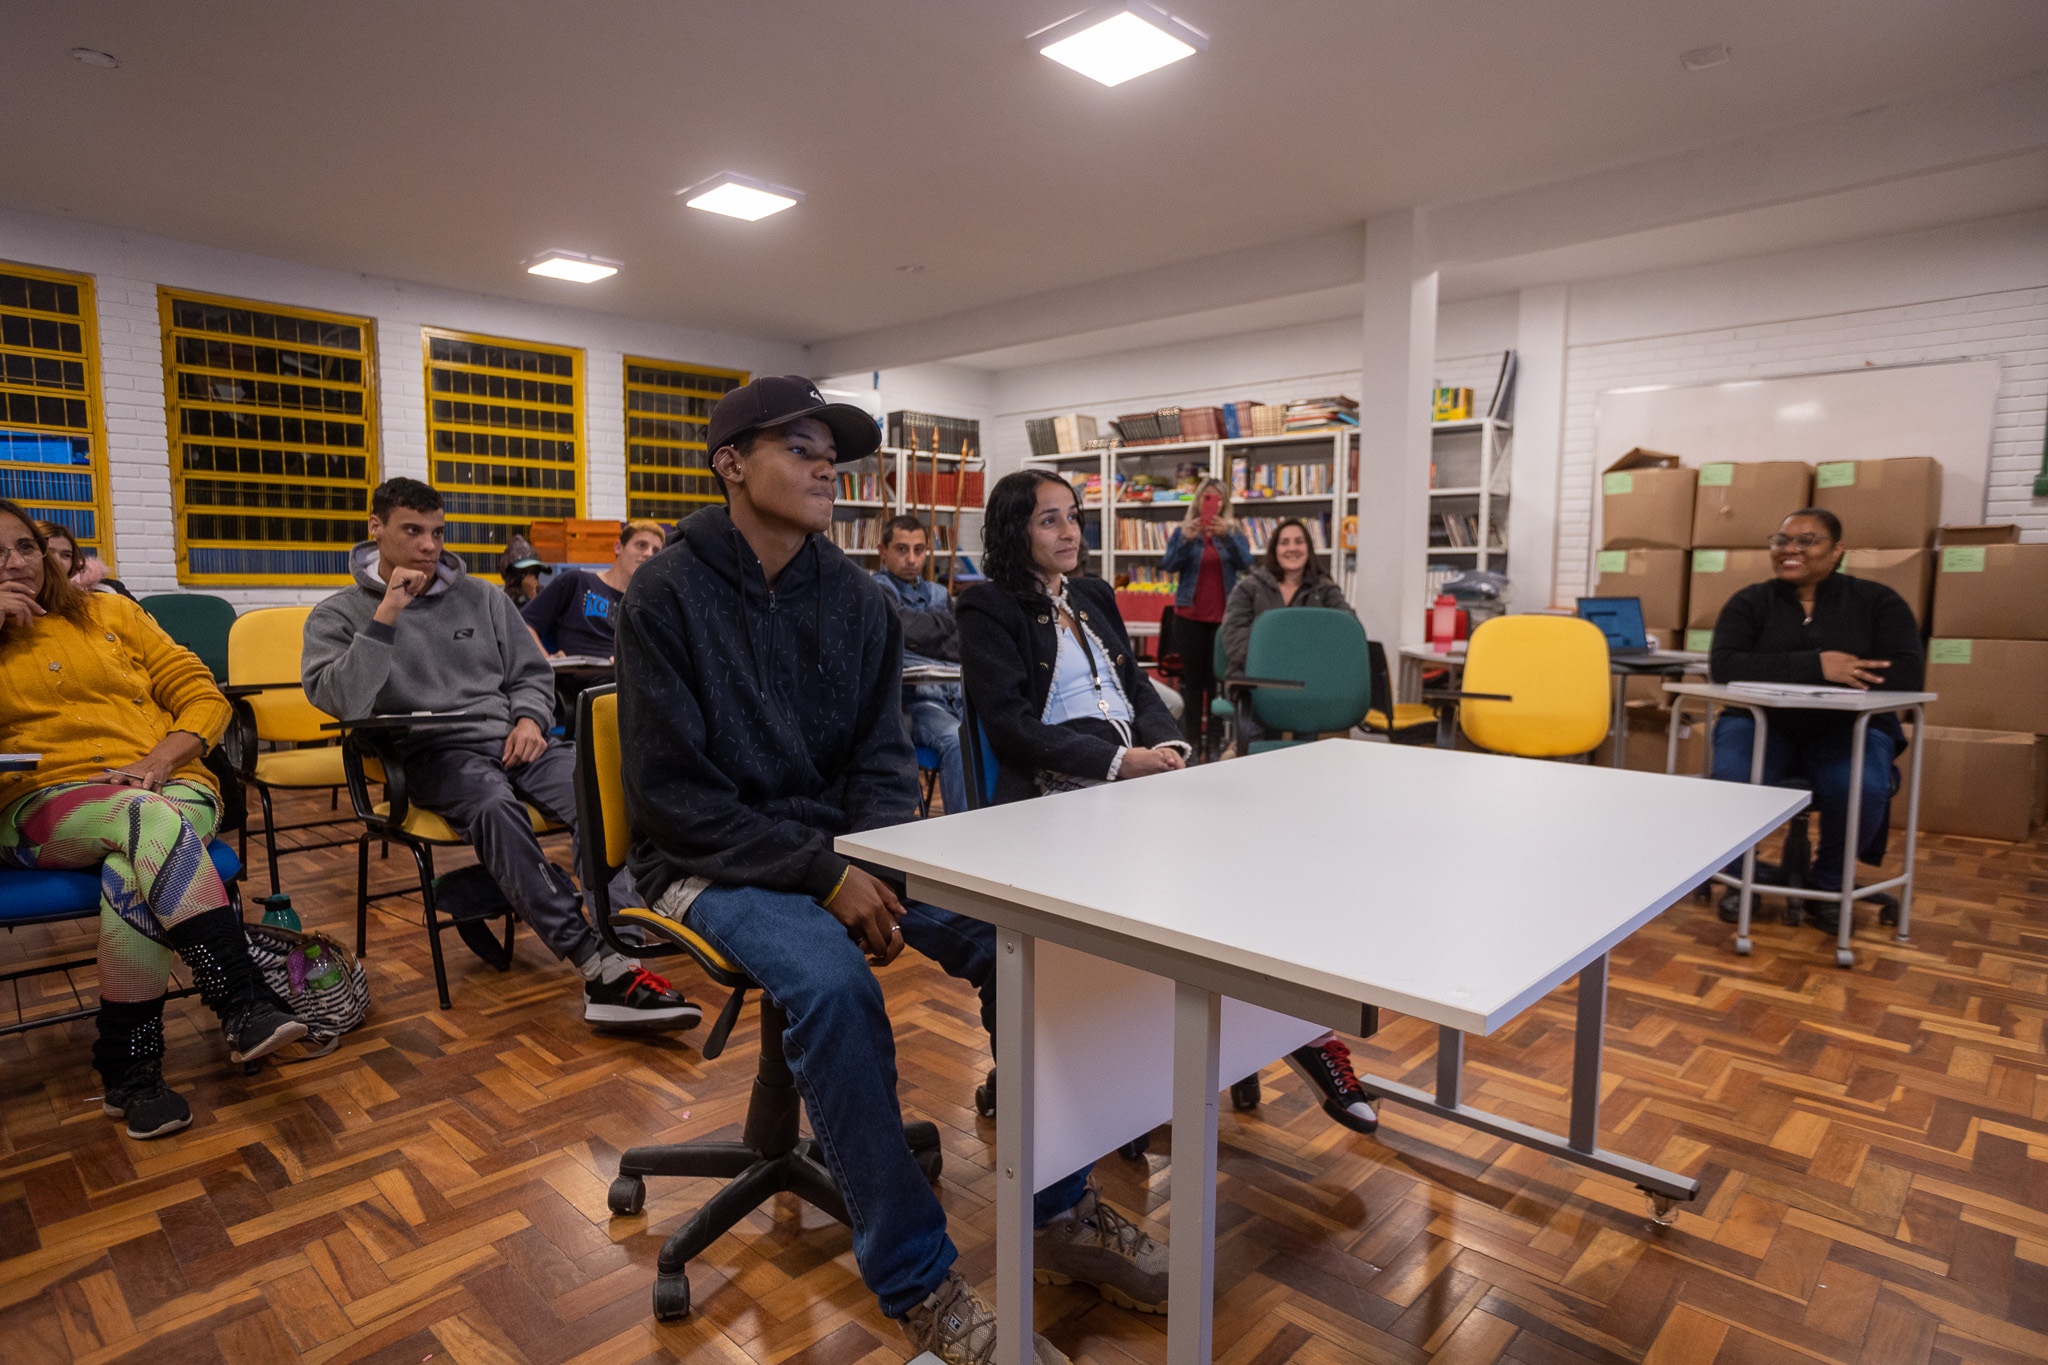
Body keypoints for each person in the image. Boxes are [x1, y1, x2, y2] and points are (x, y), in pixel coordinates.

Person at [619, 375, 1126, 1365]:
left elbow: (883, 760)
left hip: (838, 854)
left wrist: (873, 860)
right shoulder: (663, 595)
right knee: (833, 985)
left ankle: (1061, 1208)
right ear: (729, 463)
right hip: (702, 861)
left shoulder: (854, 599)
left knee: (1011, 938)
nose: (824, 467)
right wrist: (824, 879)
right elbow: (674, 798)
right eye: (798, 447)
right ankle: (917, 1282)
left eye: (830, 452)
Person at [302, 477, 697, 1030]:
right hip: (436, 753)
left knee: (601, 793)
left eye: (437, 533)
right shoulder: (339, 614)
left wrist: (533, 717)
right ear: (376, 529)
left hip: (518, 740)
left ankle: (623, 953)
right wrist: (386, 613)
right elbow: (340, 700)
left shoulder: (483, 597)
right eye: (412, 531)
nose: (428, 546)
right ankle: (595, 964)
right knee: (493, 807)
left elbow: (531, 674)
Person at [0, 499, 306, 1140]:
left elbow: (198, 692)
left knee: (131, 860)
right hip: (40, 802)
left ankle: (132, 1070)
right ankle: (239, 998)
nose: (16, 563)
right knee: (144, 826)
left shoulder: (111, 612)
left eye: (25, 546)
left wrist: (161, 757)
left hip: (165, 783)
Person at [1707, 507, 1923, 931]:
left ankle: (1828, 885)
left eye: (1807, 541)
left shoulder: (1878, 602)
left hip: (1847, 729)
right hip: (1761, 724)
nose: (1791, 550)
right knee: (1733, 776)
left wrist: (1774, 666)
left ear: (1838, 549)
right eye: (1781, 541)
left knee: (1859, 783)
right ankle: (1741, 876)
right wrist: (1817, 666)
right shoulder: (1751, 601)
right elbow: (1725, 665)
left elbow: (1906, 674)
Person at [872, 514, 967, 816]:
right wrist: (944, 626)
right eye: (901, 549)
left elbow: (962, 645)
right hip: (915, 702)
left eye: (919, 550)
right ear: (882, 551)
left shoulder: (938, 593)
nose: (911, 559)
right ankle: (962, 832)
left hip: (957, 694)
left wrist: (916, 637)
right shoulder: (875, 590)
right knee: (957, 739)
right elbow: (902, 626)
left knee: (998, 729)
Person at [1156, 477, 1250, 760]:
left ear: (1224, 503)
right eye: (1207, 497)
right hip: (1189, 617)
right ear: (1198, 501)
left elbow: (1247, 563)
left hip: (1224, 620)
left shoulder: (1233, 531)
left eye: (1217, 498)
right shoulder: (1183, 532)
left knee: (1218, 682)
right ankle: (1193, 744)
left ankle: (1217, 743)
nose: (1212, 502)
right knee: (1193, 683)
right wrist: (1185, 540)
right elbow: (1168, 565)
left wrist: (1227, 537)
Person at [1221, 517, 1351, 673]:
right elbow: (1235, 637)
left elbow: (1347, 627)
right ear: (1275, 550)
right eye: (1284, 543)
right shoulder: (1248, 587)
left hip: (1312, 675)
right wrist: (1280, 659)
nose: (1292, 548)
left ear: (1308, 549)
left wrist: (1306, 660)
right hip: (1257, 675)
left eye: (1299, 542)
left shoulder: (1325, 589)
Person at [521, 519, 664, 660]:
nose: (649, 554)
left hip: (621, 679)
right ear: (618, 547)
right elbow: (523, 624)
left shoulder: (647, 607)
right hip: (580, 678)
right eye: (641, 545)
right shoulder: (576, 582)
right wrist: (547, 662)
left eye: (656, 551)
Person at [36, 521, 135, 600]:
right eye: (49, 553)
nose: (58, 561)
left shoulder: (108, 590)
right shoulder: (25, 599)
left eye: (66, 555)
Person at [498, 536, 551, 608]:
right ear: (511, 573)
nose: (530, 577)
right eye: (524, 571)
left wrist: (533, 596)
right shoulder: (502, 601)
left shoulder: (544, 594)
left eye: (533, 571)